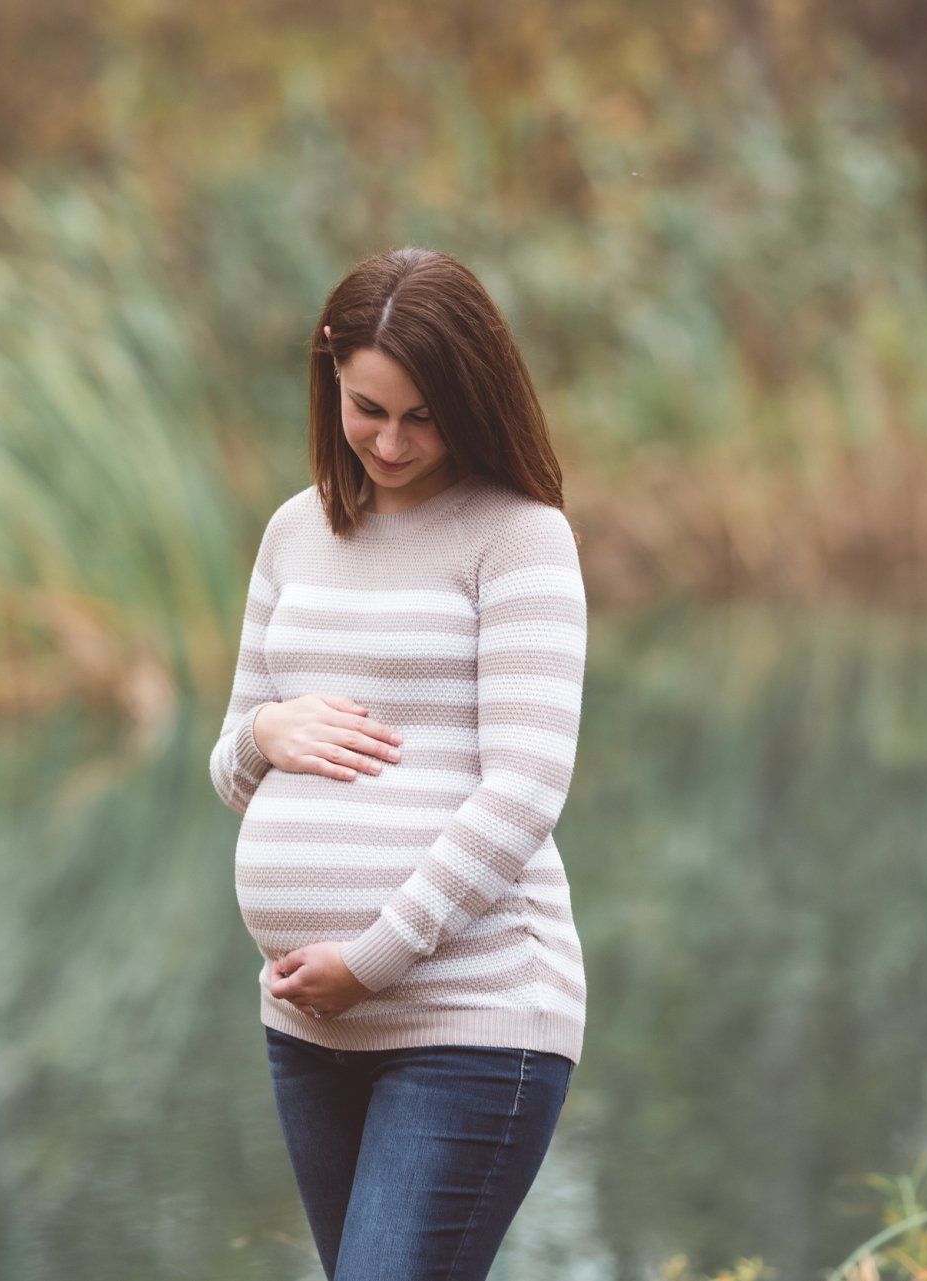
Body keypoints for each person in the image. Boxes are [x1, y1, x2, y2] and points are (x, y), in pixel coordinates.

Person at [207, 246, 589, 1280]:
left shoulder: (519, 540)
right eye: (369, 407)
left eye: (423, 416)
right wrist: (265, 734)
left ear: (473, 400)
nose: (391, 440)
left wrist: (372, 959)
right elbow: (231, 771)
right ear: (329, 373)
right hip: (307, 1027)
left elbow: (525, 790)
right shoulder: (295, 533)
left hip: (472, 1016)